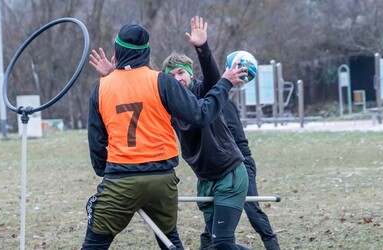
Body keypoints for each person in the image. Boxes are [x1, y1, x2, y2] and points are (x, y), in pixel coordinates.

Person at [84, 23, 248, 249]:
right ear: (147, 52)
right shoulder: (161, 82)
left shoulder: (101, 88)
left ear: (117, 51)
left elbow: (97, 143)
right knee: (170, 242)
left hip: (120, 179)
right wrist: (226, 83)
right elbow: (200, 113)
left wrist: (105, 172)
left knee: (94, 244)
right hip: (162, 179)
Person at [161, 17, 280, 250]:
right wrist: (115, 74)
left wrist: (202, 49)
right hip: (205, 179)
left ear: (189, 74)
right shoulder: (168, 104)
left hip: (229, 174)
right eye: (171, 76)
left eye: (180, 73)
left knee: (223, 244)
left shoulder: (203, 91)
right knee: (213, 245)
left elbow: (214, 79)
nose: (177, 79)